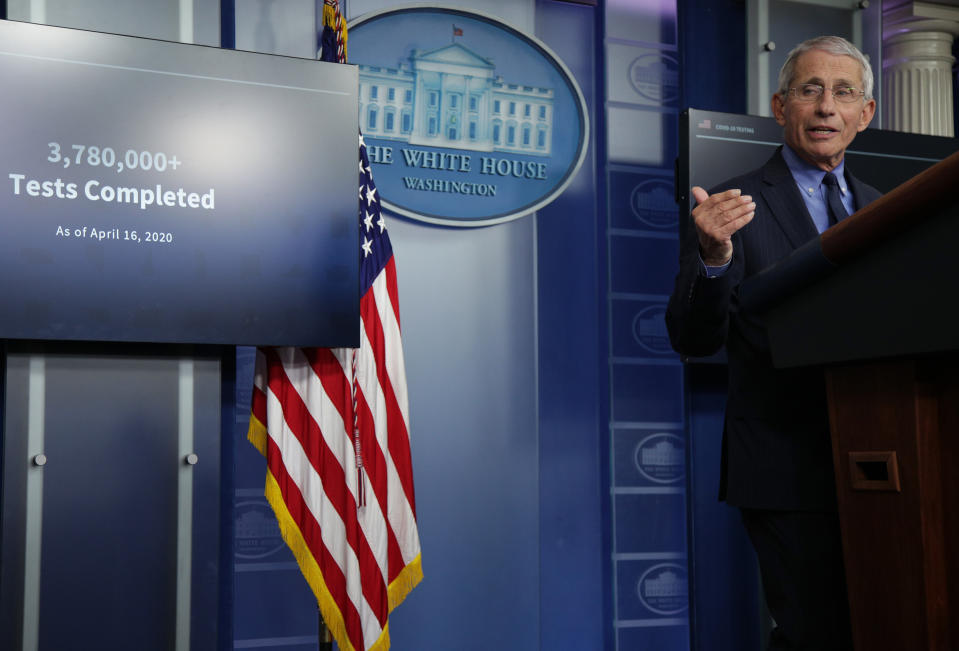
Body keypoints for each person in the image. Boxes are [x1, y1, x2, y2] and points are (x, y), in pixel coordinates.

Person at [666, 36, 878, 651]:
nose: (825, 108)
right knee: (817, 632)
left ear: (864, 115)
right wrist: (712, 259)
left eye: (844, 93)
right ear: (781, 105)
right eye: (810, 90)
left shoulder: (881, 208)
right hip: (785, 466)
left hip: (883, 461)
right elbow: (693, 336)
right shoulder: (730, 206)